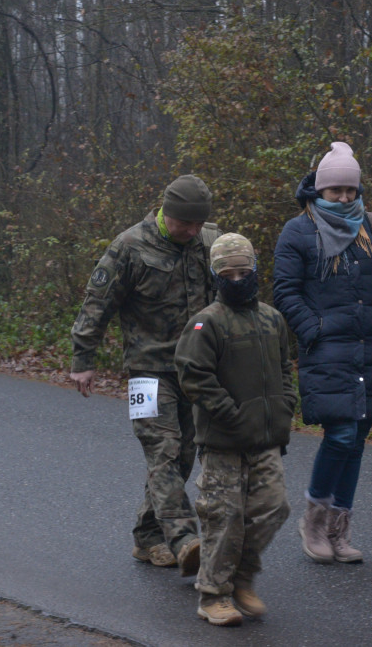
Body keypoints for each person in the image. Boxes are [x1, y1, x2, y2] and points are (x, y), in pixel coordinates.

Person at [70, 174, 218, 576]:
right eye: (184, 223)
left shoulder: (209, 243)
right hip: (147, 371)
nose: (190, 231)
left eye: (196, 223)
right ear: (166, 213)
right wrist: (84, 358)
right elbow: (96, 303)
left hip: (196, 367)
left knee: (185, 454)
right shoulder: (130, 246)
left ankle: (148, 535)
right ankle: (185, 540)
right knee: (163, 449)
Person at [273, 141, 372, 564]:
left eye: (351, 190)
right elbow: (286, 291)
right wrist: (315, 330)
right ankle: (313, 521)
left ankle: (338, 529)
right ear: (320, 190)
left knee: (360, 436)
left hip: (371, 345)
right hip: (327, 348)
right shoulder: (299, 230)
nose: (345, 198)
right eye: (336, 191)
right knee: (341, 433)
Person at [175, 233, 296, 627]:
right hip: (223, 441)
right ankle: (214, 594)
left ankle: (242, 579)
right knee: (223, 517)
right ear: (216, 275)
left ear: (255, 270)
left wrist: (285, 407)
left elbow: (284, 369)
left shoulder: (271, 318)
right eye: (229, 272)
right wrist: (230, 413)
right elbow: (194, 376)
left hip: (266, 440)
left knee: (272, 507)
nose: (238, 278)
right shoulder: (205, 322)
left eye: (244, 271)